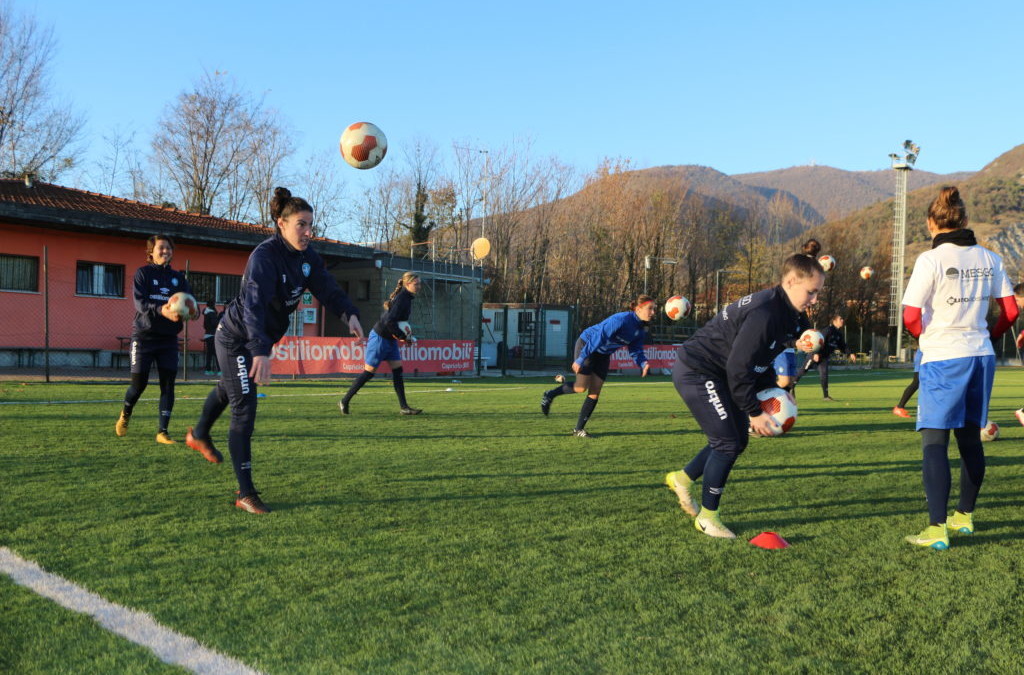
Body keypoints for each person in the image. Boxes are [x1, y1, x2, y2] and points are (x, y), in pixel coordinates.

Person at [185, 187, 364, 515]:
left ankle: (197, 434)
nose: (309, 232)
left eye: (311, 225)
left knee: (229, 390)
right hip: (236, 338)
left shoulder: (308, 258)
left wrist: (349, 313)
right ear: (281, 224)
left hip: (255, 343)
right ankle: (245, 492)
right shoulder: (264, 257)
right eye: (301, 224)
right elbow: (253, 308)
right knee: (244, 407)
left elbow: (327, 287)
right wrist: (260, 352)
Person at [664, 254, 821, 538]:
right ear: (790, 281)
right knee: (729, 443)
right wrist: (754, 410)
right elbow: (739, 366)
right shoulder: (766, 312)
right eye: (811, 292)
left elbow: (762, 355)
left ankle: (682, 478)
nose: (814, 299)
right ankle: (707, 519)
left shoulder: (787, 312)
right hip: (698, 371)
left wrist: (778, 394)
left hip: (718, 373)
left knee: (734, 439)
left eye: (817, 292)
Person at [901, 186, 1016, 549]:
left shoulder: (929, 260)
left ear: (931, 223)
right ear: (964, 220)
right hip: (980, 355)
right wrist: (990, 336)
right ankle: (964, 517)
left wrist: (925, 338)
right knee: (970, 438)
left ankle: (937, 530)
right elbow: (1011, 312)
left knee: (935, 441)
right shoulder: (991, 258)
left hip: (944, 355)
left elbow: (910, 315)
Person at [115, 234, 197, 445]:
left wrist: (193, 311)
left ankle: (162, 431)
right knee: (138, 385)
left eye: (168, 248)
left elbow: (189, 303)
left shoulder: (179, 278)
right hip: (144, 337)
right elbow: (140, 305)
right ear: (151, 252)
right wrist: (162, 310)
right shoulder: (143, 274)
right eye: (161, 248)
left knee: (168, 385)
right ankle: (125, 413)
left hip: (168, 339)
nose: (165, 251)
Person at [539, 295, 655, 437]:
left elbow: (635, 349)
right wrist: (581, 358)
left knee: (595, 392)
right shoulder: (621, 320)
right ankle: (550, 394)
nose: (653, 312)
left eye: (654, 309)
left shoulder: (640, 329)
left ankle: (578, 430)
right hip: (588, 345)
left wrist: (643, 363)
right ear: (638, 308)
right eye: (650, 308)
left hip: (603, 354)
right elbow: (598, 338)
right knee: (581, 387)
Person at [339, 271, 423, 415]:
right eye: (416, 284)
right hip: (380, 338)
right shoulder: (403, 298)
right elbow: (389, 321)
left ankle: (404, 407)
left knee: (398, 371)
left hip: (389, 339)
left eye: (420, 283)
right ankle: (345, 400)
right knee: (369, 372)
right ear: (408, 284)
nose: (419, 286)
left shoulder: (407, 298)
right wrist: (402, 336)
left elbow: (398, 322)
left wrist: (405, 336)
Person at [798, 315, 856, 400]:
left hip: (824, 358)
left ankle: (826, 396)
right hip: (815, 355)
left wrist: (850, 353)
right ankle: (791, 386)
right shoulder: (828, 330)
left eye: (842, 319)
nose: (842, 320)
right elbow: (818, 341)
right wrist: (815, 353)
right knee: (803, 371)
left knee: (824, 375)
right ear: (834, 321)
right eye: (840, 319)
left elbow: (843, 346)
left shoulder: (838, 334)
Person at [892, 349, 922, 418]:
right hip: (924, 357)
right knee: (916, 382)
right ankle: (900, 407)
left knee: (918, 383)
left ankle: (900, 407)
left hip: (927, 356)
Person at [202, 299, 221, 375]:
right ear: (213, 304)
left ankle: (208, 370)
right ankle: (220, 370)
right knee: (217, 353)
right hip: (213, 335)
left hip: (207, 335)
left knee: (209, 354)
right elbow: (215, 324)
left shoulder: (206, 312)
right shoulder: (212, 313)